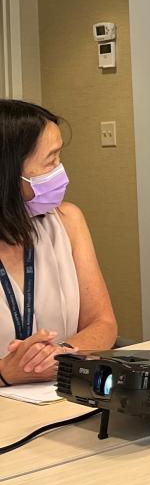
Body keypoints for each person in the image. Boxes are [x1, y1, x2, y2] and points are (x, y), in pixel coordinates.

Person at [0, 100, 117, 386]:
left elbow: (103, 323)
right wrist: (6, 373)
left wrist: (61, 354)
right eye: (50, 161)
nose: (61, 173)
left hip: (59, 395)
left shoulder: (67, 220)